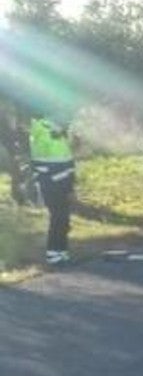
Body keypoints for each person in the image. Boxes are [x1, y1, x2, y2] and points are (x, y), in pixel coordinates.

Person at [29, 110, 75, 265]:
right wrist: (61, 180)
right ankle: (53, 253)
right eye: (66, 118)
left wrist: (70, 184)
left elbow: (66, 160)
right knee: (58, 217)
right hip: (53, 184)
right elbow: (42, 165)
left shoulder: (58, 134)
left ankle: (62, 251)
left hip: (63, 183)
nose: (68, 122)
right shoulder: (43, 134)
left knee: (63, 219)